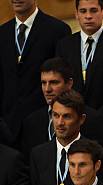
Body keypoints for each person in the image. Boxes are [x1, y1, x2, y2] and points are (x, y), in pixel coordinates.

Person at [56, 0, 103, 166]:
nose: (88, 16)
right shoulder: (64, 45)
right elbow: (61, 86)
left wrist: (96, 119)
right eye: (83, 11)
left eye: (93, 10)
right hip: (73, 128)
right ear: (76, 14)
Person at [0, 0, 70, 143]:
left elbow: (62, 78)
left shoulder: (57, 30)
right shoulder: (2, 33)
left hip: (42, 126)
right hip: (6, 127)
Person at [21, 57, 103, 156]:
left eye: (54, 82)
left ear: (69, 83)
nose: (47, 89)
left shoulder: (94, 120)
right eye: (43, 83)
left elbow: (101, 161)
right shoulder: (31, 122)